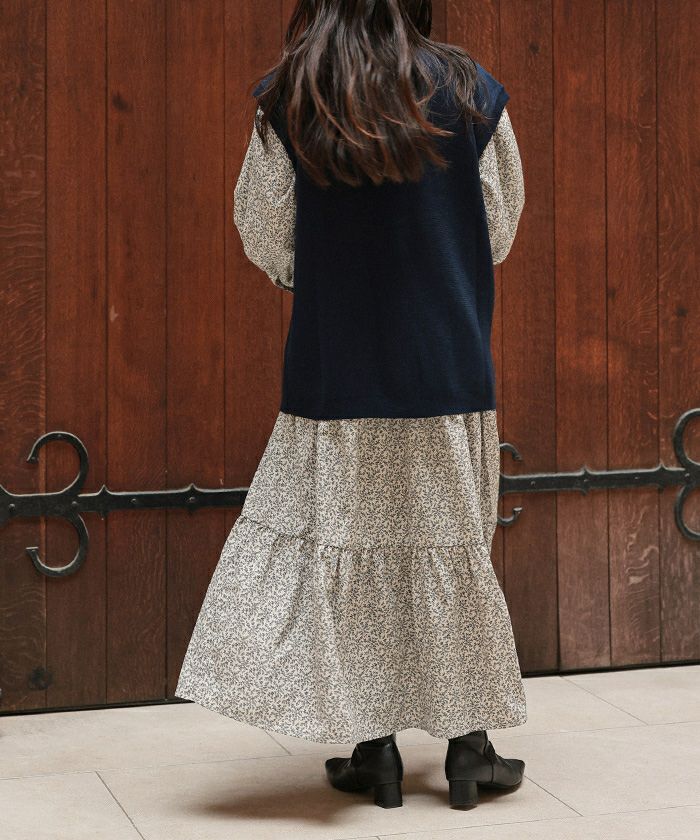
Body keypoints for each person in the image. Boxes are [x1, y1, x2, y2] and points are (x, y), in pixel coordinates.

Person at [175, 0, 527, 811]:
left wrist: (328, 273)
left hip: (337, 373)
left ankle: (376, 752)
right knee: (453, 546)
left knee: (349, 551)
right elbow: (496, 227)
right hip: (445, 368)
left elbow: (266, 232)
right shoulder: (471, 91)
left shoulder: (292, 97)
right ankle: (469, 752)